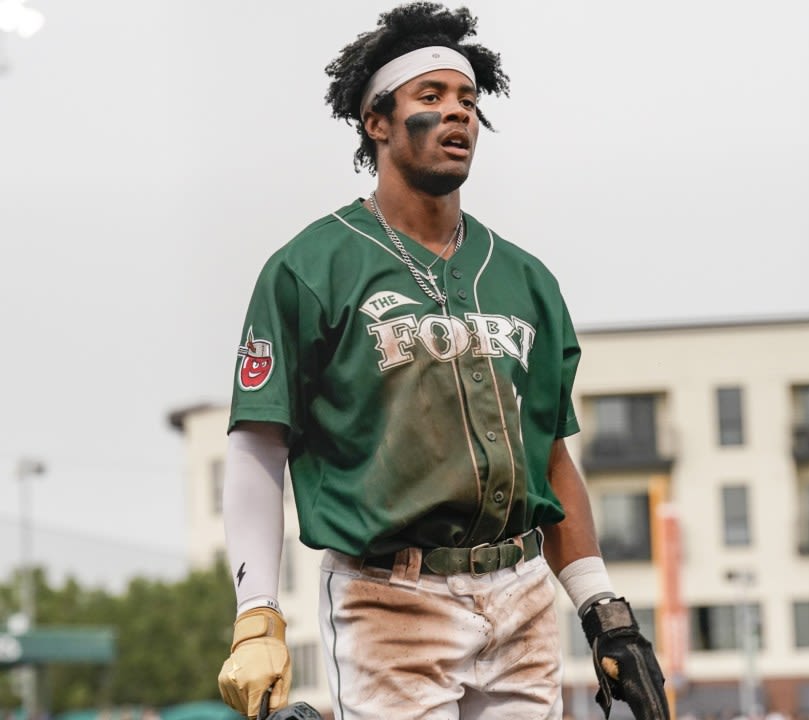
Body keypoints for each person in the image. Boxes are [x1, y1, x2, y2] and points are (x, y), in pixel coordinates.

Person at [215, 4, 669, 719]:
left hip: (519, 591)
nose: (458, 114)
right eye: (432, 98)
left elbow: (549, 455)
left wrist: (602, 607)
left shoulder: (525, 277)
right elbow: (257, 446)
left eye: (468, 101)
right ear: (378, 121)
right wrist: (257, 613)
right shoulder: (309, 267)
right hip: (389, 597)